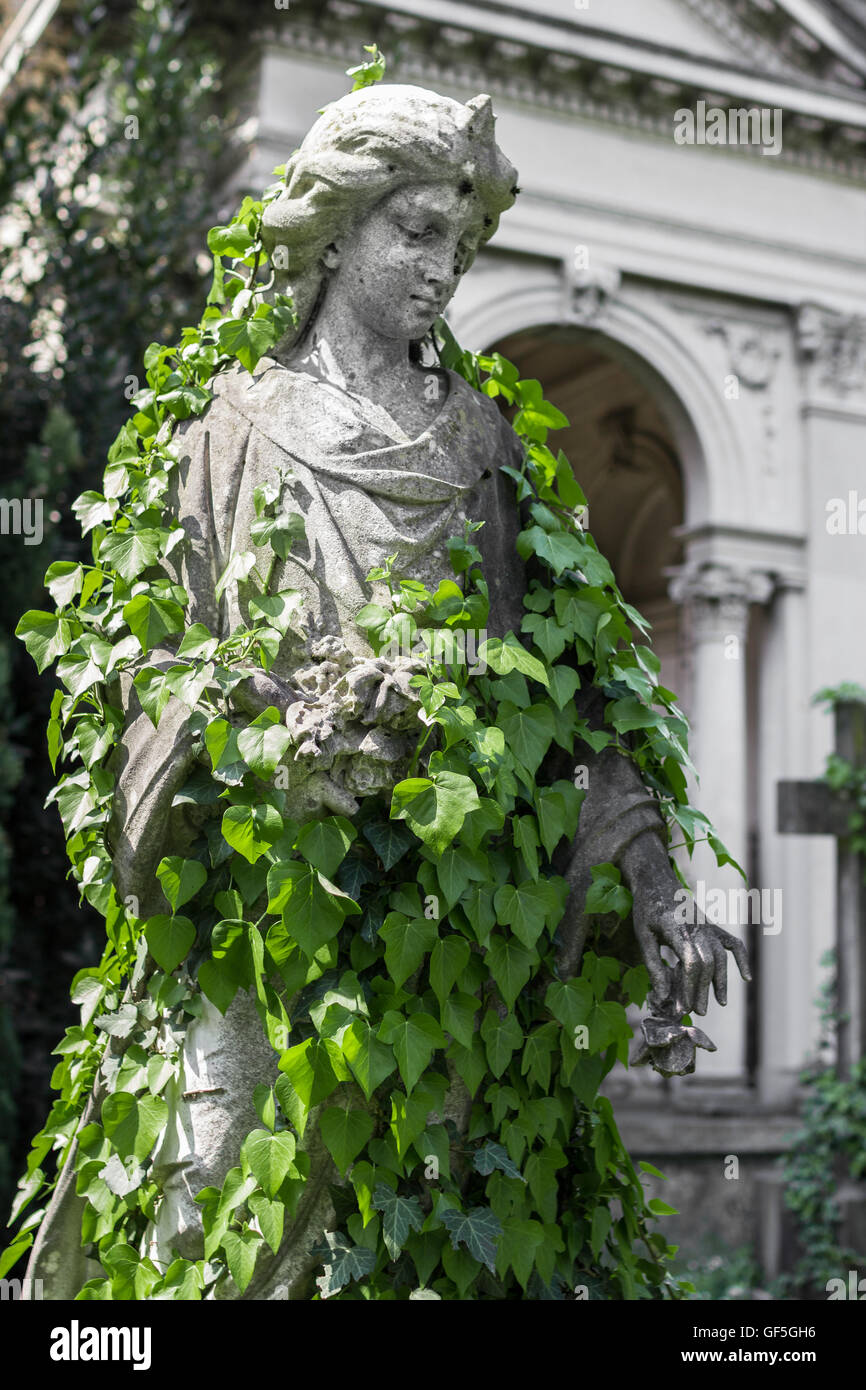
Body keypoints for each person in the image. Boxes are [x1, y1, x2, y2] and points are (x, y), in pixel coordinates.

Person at [26, 83, 748, 1299]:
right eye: (413, 231)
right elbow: (142, 677)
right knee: (212, 1198)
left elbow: (565, 697)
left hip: (447, 934)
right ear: (336, 226)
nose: (439, 270)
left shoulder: (483, 445)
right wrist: (259, 728)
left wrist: (654, 877)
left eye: (458, 245)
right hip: (265, 916)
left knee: (421, 1225)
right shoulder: (226, 433)